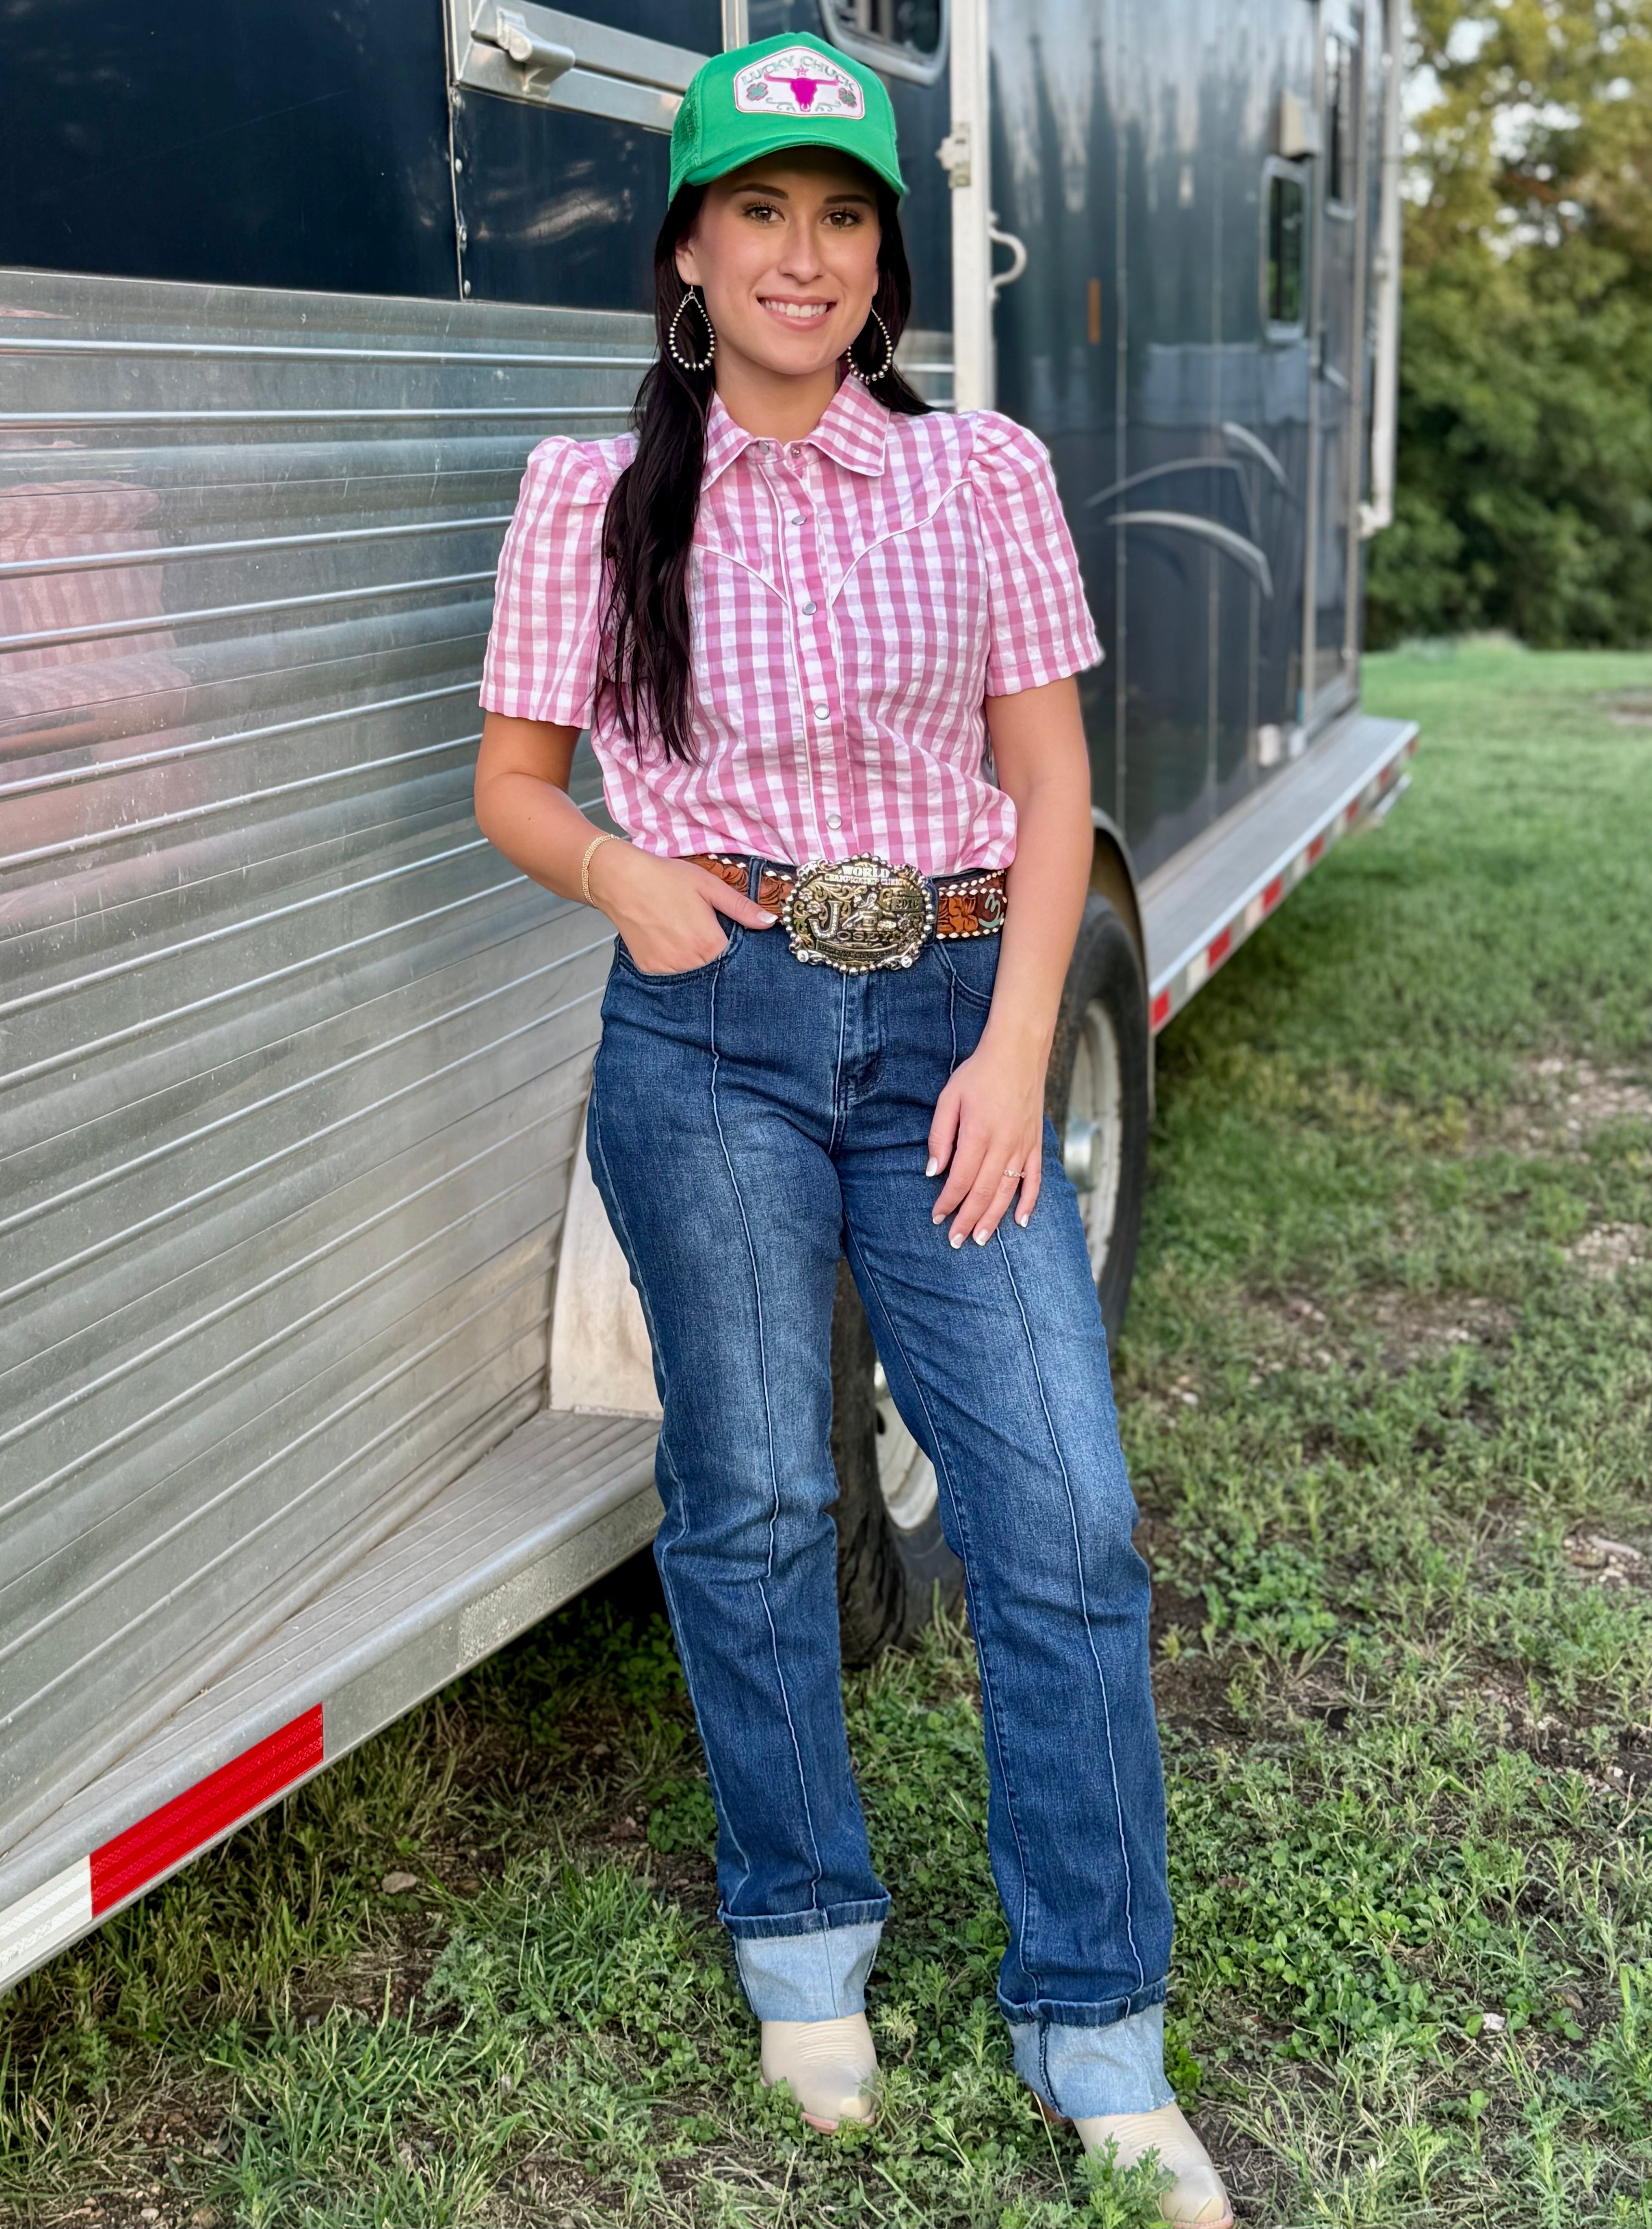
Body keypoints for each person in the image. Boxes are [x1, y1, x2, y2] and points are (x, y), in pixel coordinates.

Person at [472, 32, 1233, 2227]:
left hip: (946, 1040)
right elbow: (518, 784)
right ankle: (804, 1936)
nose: (802, 254)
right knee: (756, 1498)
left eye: (842, 214)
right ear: (688, 254)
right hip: (708, 1034)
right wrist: (630, 880)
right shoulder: (590, 495)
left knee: (1065, 1521)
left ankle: (1097, 2025)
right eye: (759, 213)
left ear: (883, 253)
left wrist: (1012, 1055)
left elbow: (1058, 789)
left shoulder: (978, 473)